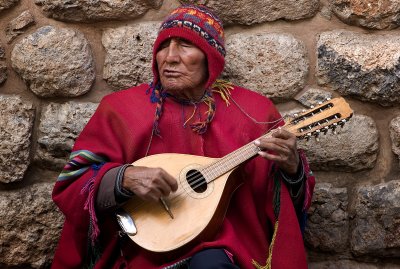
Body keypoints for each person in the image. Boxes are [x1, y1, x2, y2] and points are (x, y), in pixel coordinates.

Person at [51, 4, 315, 269]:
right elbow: (73, 184)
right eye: (164, 46)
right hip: (139, 248)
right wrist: (123, 178)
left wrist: (292, 169)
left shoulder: (253, 112)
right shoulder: (121, 111)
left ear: (211, 58)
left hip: (226, 247)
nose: (170, 57)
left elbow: (284, 203)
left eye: (185, 45)